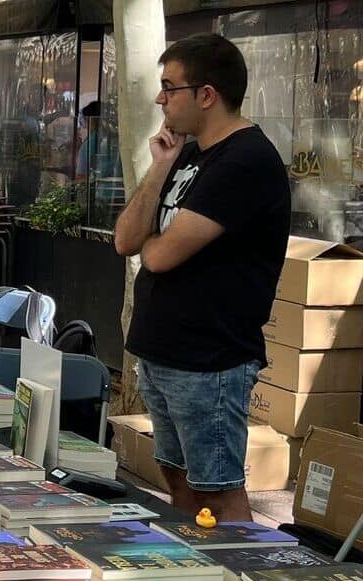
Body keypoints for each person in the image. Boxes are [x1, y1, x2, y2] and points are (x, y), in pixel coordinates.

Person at [114, 34, 290, 522]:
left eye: (170, 87)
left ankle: (243, 579)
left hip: (208, 359)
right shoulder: (188, 154)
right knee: (179, 484)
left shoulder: (245, 160)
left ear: (206, 94)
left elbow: (160, 256)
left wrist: (151, 246)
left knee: (217, 492)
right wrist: (161, 166)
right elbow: (127, 240)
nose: (159, 98)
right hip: (164, 352)